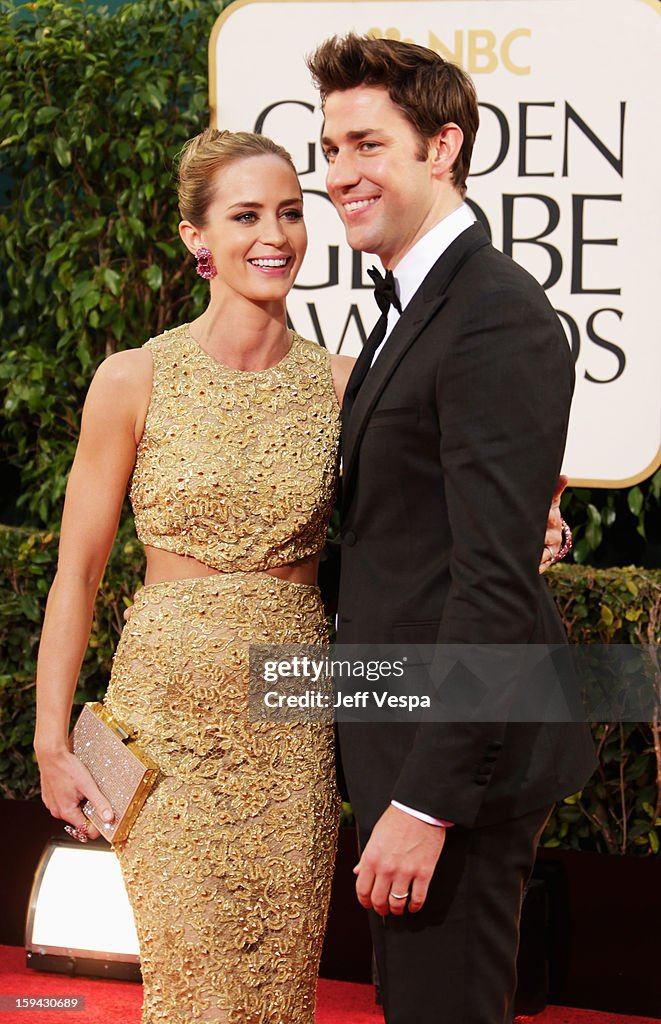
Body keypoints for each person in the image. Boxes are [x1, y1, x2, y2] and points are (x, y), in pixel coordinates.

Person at [33, 128, 355, 1024]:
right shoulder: (133, 379)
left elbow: (417, 533)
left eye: (291, 213)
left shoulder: (341, 386)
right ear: (195, 237)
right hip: (163, 729)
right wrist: (51, 742)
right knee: (191, 994)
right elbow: (78, 575)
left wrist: (538, 524)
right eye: (247, 214)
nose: (276, 235)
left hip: (290, 729)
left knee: (277, 992)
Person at [307, 34, 597, 1024]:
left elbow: (492, 585)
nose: (340, 173)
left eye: (366, 144)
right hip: (406, 731)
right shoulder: (413, 303)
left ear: (442, 146)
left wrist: (428, 801)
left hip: (455, 767)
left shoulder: (489, 315)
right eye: (330, 149)